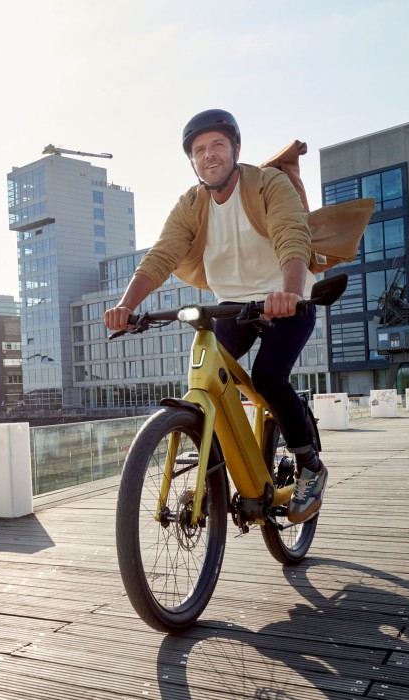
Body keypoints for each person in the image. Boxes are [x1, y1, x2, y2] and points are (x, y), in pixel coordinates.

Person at [104, 108, 326, 524]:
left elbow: (292, 236)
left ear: (235, 149)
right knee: (206, 379)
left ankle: (309, 463)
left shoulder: (268, 185)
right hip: (232, 307)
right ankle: (215, 470)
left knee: (267, 376)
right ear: (192, 161)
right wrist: (127, 306)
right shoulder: (192, 203)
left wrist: (291, 292)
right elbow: (161, 256)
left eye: (217, 146)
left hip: (287, 300)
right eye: (199, 150)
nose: (209, 155)